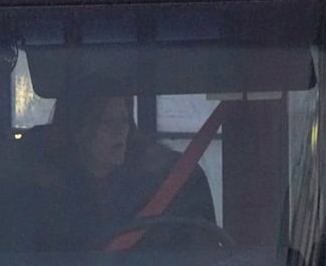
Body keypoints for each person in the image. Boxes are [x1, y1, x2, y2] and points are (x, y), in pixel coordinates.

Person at [31, 95, 218, 251]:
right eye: (107, 122)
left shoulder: (167, 185)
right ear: (79, 131)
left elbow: (202, 262)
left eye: (124, 120)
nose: (120, 131)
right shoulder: (47, 193)